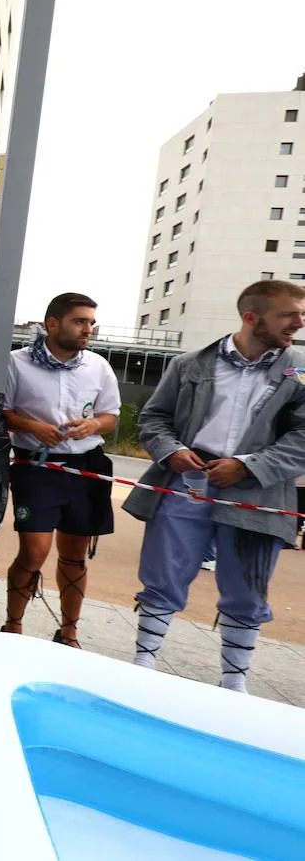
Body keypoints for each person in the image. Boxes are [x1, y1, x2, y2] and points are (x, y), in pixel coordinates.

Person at [127, 280, 305, 692]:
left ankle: (233, 684)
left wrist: (248, 466)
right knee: (162, 573)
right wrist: (171, 451)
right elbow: (154, 418)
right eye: (288, 314)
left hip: (258, 493)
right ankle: (141, 665)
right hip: (186, 482)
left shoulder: (299, 375)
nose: (299, 321)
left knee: (247, 586)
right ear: (251, 317)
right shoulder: (190, 364)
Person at [0, 293, 121, 649]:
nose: (88, 329)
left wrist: (93, 425)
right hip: (35, 466)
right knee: (34, 551)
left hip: (85, 468)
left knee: (74, 555)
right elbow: (2, 410)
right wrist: (31, 427)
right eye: (80, 321)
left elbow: (110, 417)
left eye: (91, 322)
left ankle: (69, 632)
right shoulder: (16, 362)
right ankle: (13, 625)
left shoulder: (98, 366)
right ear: (52, 324)